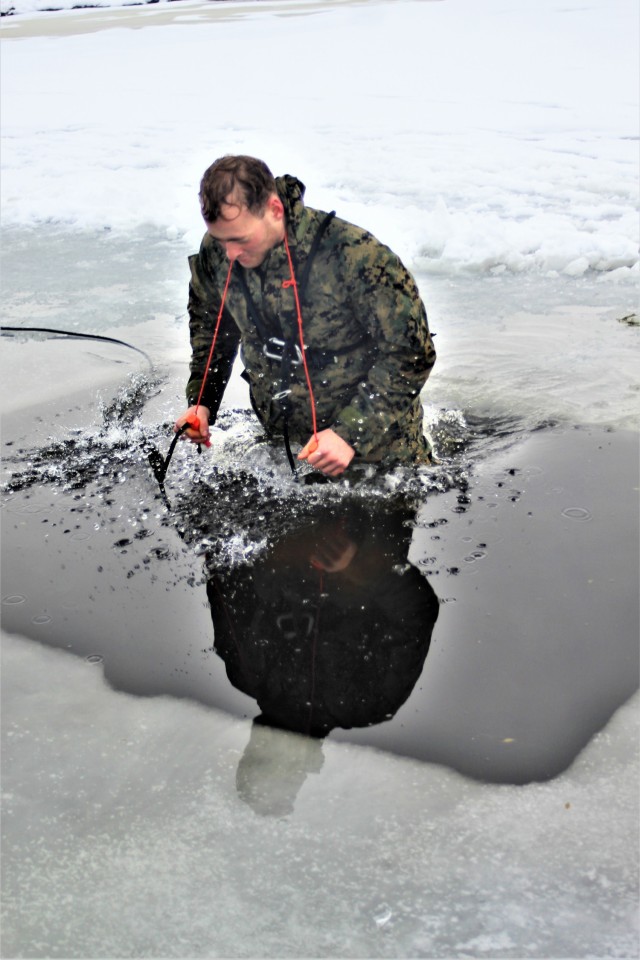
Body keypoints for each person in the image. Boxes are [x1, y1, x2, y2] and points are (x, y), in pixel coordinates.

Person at [175, 155, 436, 477]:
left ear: (274, 210)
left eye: (240, 240)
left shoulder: (356, 256)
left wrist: (349, 433)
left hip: (379, 456)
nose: (230, 253)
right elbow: (212, 327)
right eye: (220, 239)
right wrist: (202, 400)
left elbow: (411, 354)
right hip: (287, 448)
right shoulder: (218, 251)